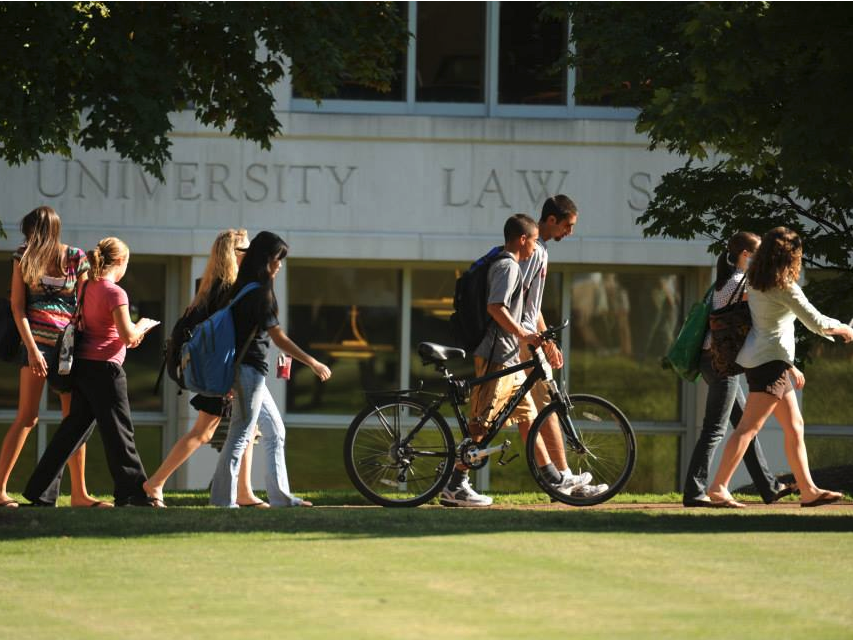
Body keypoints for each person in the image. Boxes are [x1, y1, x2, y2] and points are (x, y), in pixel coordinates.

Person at [706, 227, 853, 508]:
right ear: (790, 256)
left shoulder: (755, 279)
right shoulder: (783, 286)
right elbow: (816, 321)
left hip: (768, 359)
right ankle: (718, 487)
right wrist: (845, 329)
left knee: (794, 426)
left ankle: (808, 490)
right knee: (748, 428)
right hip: (769, 362)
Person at [23, 237, 159, 507]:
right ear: (119, 262)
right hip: (106, 369)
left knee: (72, 431)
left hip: (83, 367)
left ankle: (40, 490)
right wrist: (142, 327)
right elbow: (127, 334)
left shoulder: (87, 287)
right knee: (120, 432)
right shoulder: (115, 293)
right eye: (126, 264)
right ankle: (131, 492)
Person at [143, 229, 268, 507]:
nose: (249, 256)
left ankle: (244, 492)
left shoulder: (210, 285)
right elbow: (227, 337)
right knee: (204, 432)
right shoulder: (228, 290)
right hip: (220, 371)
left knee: (244, 427)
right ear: (234, 254)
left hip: (214, 368)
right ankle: (155, 483)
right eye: (245, 251)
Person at [209, 231, 331, 508]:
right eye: (278, 259)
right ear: (266, 259)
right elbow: (278, 338)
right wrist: (312, 362)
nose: (280, 265)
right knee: (240, 435)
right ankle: (222, 502)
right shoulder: (260, 293)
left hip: (246, 372)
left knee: (275, 430)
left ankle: (281, 498)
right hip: (249, 372)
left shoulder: (240, 287)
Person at [0, 207, 104, 509]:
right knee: (27, 417)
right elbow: (18, 307)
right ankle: (1, 489)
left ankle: (79, 494)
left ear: (43, 230)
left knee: (72, 421)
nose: (27, 238)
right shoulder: (23, 257)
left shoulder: (76, 257)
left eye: (30, 231)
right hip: (37, 346)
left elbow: (85, 302)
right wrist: (31, 349)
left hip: (69, 347)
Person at [682, 232, 793, 507]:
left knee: (745, 425)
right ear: (745, 254)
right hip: (722, 365)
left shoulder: (724, 282)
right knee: (715, 430)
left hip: (711, 360)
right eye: (757, 255)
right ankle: (695, 492)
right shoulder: (742, 284)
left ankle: (768, 486)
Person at [440, 214, 541, 507]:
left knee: (527, 413)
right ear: (523, 239)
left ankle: (554, 477)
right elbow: (495, 307)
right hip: (497, 355)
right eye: (534, 241)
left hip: (507, 355)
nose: (535, 248)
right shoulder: (508, 266)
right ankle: (455, 485)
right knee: (482, 422)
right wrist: (524, 333)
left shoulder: (505, 262)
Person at [515, 195, 605, 498]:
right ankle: (564, 478)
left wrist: (547, 338)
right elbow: (520, 300)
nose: (570, 232)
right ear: (551, 220)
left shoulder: (537, 250)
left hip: (525, 338)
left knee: (535, 410)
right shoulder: (535, 252)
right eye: (568, 225)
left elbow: (531, 304)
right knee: (548, 406)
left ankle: (563, 478)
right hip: (522, 341)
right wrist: (536, 340)